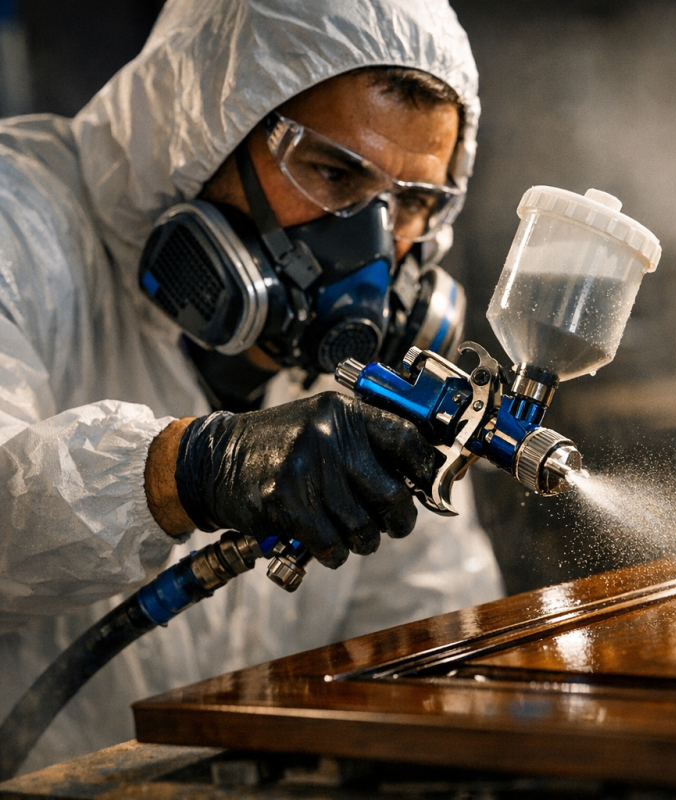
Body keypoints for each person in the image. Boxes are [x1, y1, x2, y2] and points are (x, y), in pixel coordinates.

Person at [0, 0, 503, 774]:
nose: (374, 247)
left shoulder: (383, 375)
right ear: (200, 125)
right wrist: (184, 470)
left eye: (410, 203)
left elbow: (428, 620)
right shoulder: (19, 227)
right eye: (334, 171)